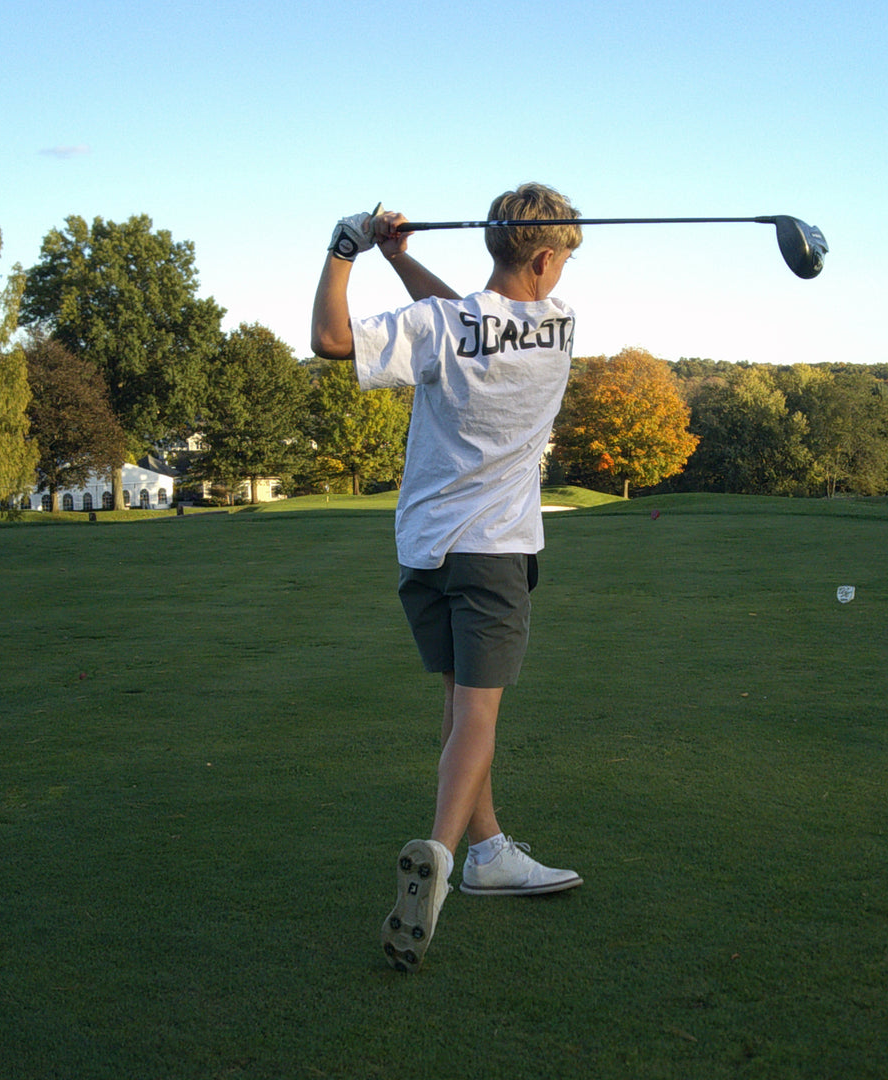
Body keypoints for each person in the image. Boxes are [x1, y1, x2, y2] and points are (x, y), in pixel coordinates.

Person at [311, 183, 585, 974]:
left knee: (461, 705)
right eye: (563, 259)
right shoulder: (560, 326)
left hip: (424, 552)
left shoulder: (441, 327)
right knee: (478, 716)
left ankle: (489, 850)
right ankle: (438, 857)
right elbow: (467, 318)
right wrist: (397, 260)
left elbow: (335, 337)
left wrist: (352, 250)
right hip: (495, 554)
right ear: (543, 258)